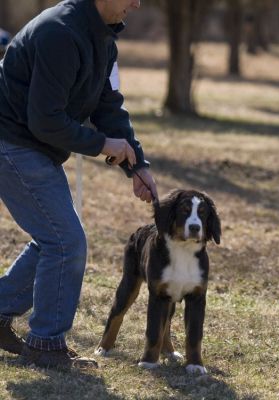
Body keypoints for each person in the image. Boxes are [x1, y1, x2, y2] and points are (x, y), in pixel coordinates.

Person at [0, 0, 157, 370]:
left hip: (31, 146)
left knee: (55, 238)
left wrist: (137, 165)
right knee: (65, 240)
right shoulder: (61, 32)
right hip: (12, 142)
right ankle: (46, 344)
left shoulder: (102, 37)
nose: (137, 3)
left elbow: (107, 107)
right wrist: (103, 144)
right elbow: (45, 120)